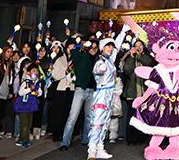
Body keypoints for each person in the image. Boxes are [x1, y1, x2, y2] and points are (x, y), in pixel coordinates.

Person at [88, 31, 127, 160]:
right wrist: (100, 69)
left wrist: (123, 32)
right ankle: (92, 150)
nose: (110, 48)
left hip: (110, 94)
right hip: (102, 93)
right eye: (108, 46)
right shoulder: (101, 61)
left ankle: (100, 147)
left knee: (105, 123)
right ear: (102, 48)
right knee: (98, 122)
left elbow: (117, 44)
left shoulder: (110, 60)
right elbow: (96, 70)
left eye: (111, 46)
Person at [60, 39, 99, 150]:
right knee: (72, 117)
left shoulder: (98, 59)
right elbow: (72, 51)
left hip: (92, 91)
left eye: (95, 48)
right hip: (80, 89)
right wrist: (81, 46)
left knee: (89, 117)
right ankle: (65, 142)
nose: (93, 50)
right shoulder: (81, 55)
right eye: (91, 47)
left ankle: (86, 139)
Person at [120, 39, 154, 144]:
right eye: (136, 45)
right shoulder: (131, 58)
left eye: (140, 45)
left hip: (144, 92)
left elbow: (149, 63)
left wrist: (139, 55)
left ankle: (141, 138)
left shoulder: (146, 56)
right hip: (132, 92)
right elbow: (127, 70)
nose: (138, 47)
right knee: (132, 115)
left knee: (143, 115)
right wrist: (131, 56)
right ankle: (131, 138)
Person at [48, 38, 75, 141]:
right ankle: (57, 133)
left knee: (68, 113)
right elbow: (55, 74)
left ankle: (67, 135)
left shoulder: (76, 58)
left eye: (73, 46)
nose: (71, 48)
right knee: (59, 112)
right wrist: (66, 71)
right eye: (70, 46)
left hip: (72, 88)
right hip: (61, 88)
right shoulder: (60, 59)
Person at [14, 63, 43, 148]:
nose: (35, 72)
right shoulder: (26, 82)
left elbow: (40, 92)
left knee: (29, 124)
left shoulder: (37, 82)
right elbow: (20, 92)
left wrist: (37, 93)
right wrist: (30, 88)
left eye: (36, 70)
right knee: (24, 125)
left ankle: (21, 139)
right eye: (33, 70)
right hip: (23, 105)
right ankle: (24, 141)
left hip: (31, 106)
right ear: (28, 73)